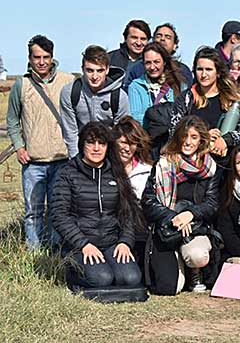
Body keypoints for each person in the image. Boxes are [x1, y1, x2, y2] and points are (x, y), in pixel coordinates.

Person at [53, 122, 143, 289]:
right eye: (90, 142)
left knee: (131, 278)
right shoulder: (67, 173)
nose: (96, 148)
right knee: (102, 279)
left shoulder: (116, 172)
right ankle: (70, 270)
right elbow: (60, 216)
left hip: (111, 242)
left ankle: (107, 267)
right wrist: (83, 244)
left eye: (101, 143)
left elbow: (127, 213)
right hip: (80, 245)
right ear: (82, 145)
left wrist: (125, 241)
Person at [6, 35, 75, 249]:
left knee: (58, 210)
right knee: (33, 211)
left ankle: (55, 254)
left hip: (62, 158)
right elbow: (12, 120)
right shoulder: (22, 85)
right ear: (30, 58)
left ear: (53, 57)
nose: (42, 62)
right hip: (33, 161)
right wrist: (19, 146)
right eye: (37, 57)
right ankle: (34, 253)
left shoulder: (68, 81)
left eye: (46, 57)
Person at [142, 115, 223, 294]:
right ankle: (178, 268)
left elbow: (212, 204)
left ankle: (195, 271)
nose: (188, 142)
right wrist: (174, 217)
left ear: (201, 139)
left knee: (197, 256)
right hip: (167, 228)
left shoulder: (210, 167)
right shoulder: (163, 163)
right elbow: (148, 201)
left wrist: (191, 214)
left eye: (193, 137)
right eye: (184, 136)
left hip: (196, 227)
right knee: (169, 288)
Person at [170, 47, 240, 158]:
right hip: (193, 163)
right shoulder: (186, 98)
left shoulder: (232, 98)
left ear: (218, 72)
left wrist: (226, 140)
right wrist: (202, 136)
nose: (204, 75)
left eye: (209, 69)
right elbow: (174, 131)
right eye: (200, 69)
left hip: (225, 164)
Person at [60, 45, 130, 158]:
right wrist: (76, 162)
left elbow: (121, 133)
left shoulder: (119, 96)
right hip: (82, 152)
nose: (95, 76)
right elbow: (70, 133)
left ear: (107, 69)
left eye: (100, 70)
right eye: (90, 70)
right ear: (82, 69)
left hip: (110, 153)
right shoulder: (70, 92)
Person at [127, 42, 188, 124]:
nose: (152, 67)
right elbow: (136, 118)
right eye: (148, 63)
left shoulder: (179, 84)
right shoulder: (135, 87)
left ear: (164, 62)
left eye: (156, 62)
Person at [123, 23, 194, 89]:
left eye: (168, 37)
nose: (162, 39)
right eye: (158, 36)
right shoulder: (138, 69)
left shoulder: (183, 71)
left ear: (175, 45)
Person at [112, 116, 153, 199]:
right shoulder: (105, 169)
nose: (127, 148)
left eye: (132, 144)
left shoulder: (147, 171)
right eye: (123, 142)